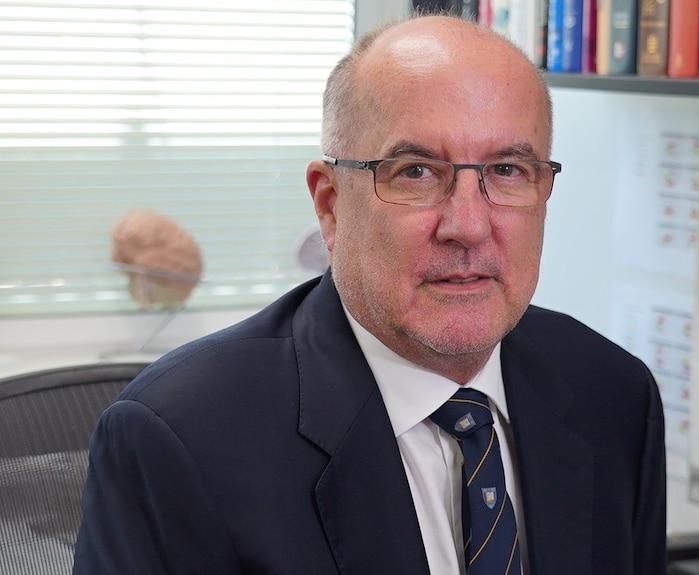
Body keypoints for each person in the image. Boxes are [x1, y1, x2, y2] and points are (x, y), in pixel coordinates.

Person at [73, 13, 666, 575]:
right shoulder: (179, 436)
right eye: (415, 172)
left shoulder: (613, 394)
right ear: (330, 204)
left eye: (508, 171)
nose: (468, 224)